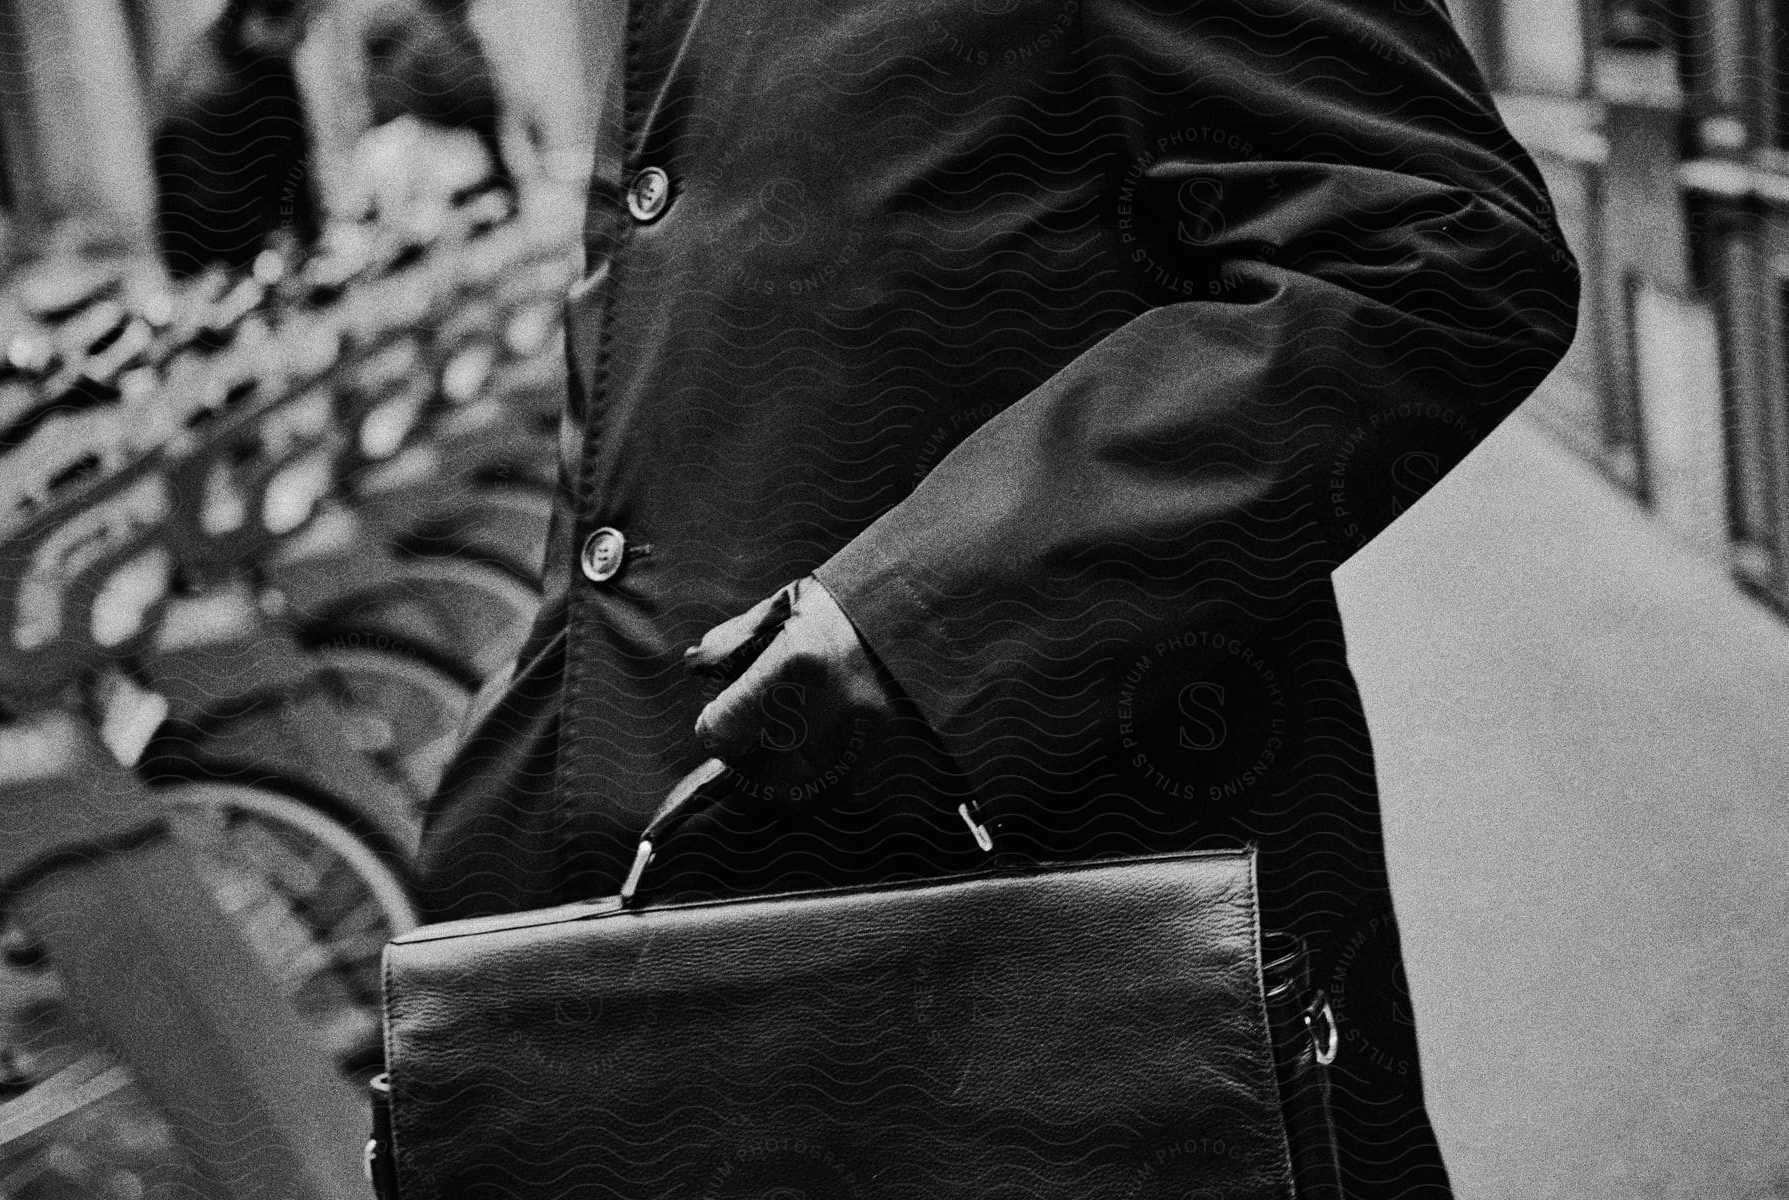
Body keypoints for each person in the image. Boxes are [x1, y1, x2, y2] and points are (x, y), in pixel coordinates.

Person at [413, 2, 1579, 1195]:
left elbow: (1442, 251)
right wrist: (501, 794)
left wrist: (923, 621)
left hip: (1054, 911)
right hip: (726, 948)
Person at [150, 0, 324, 279]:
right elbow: (209, 208)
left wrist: (307, 231)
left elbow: (294, 159)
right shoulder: (205, 93)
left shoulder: (268, 62)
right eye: (302, 22)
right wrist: (274, 237)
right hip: (222, 269)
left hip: (272, 251)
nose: (305, 34)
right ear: (261, 19)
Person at [359, 0, 517, 200]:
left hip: (458, 117)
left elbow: (453, 83)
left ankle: (494, 190)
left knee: (484, 156)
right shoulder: (425, 37)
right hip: (468, 112)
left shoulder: (405, 55)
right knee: (490, 153)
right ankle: (497, 188)